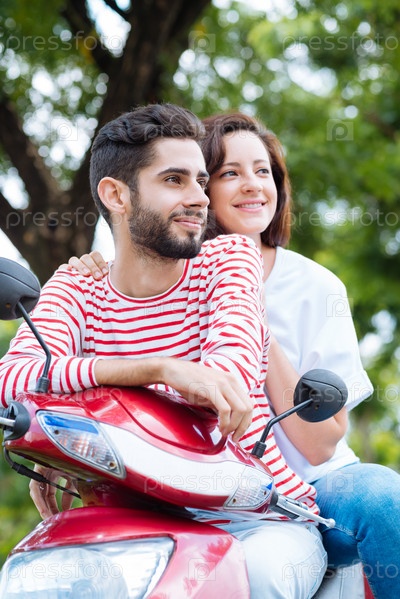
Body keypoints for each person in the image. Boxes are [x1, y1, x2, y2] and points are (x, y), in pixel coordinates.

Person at [0, 103, 327, 599]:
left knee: (257, 578)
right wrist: (160, 368)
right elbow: (11, 382)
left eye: (201, 181)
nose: (199, 198)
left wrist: (73, 401)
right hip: (126, 525)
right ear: (116, 195)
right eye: (175, 180)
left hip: (257, 519)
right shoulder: (75, 286)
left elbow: (226, 387)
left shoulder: (230, 259)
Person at [73, 110, 400, 598]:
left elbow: (320, 446)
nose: (253, 185)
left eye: (263, 171)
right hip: (197, 489)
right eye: (229, 173)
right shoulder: (157, 278)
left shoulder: (316, 286)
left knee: (383, 498)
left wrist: (251, 318)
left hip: (309, 489)